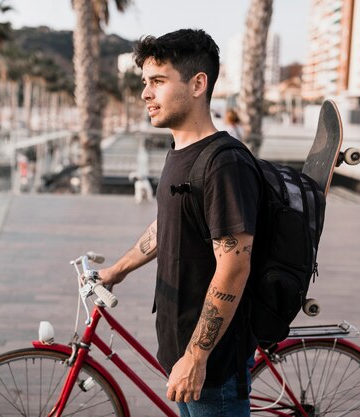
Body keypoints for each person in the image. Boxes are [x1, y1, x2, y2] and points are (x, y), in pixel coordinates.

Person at [99, 28, 259, 417]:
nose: (145, 93)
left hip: (212, 369)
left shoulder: (224, 163)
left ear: (197, 84)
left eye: (158, 81)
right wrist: (116, 271)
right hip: (179, 348)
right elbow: (169, 226)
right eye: (144, 82)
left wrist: (196, 357)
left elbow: (234, 267)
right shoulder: (180, 153)